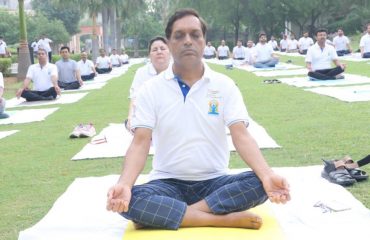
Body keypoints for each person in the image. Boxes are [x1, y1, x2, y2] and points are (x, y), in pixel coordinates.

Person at [107, 8, 290, 230]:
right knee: (131, 199)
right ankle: (217, 218)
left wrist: (268, 174)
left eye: (195, 35)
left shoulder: (224, 85)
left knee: (260, 184)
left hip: (214, 182)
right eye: (179, 35)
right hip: (167, 183)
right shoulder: (150, 89)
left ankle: (177, 214)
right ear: (169, 42)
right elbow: (140, 141)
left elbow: (241, 135)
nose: (187, 41)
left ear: (204, 41)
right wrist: (125, 184)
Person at [126, 36, 171, 131]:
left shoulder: (180, 70)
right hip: (148, 114)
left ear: (170, 52)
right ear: (149, 55)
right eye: (155, 50)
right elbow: (135, 96)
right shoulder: (142, 72)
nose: (159, 52)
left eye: (162, 48)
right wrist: (130, 117)